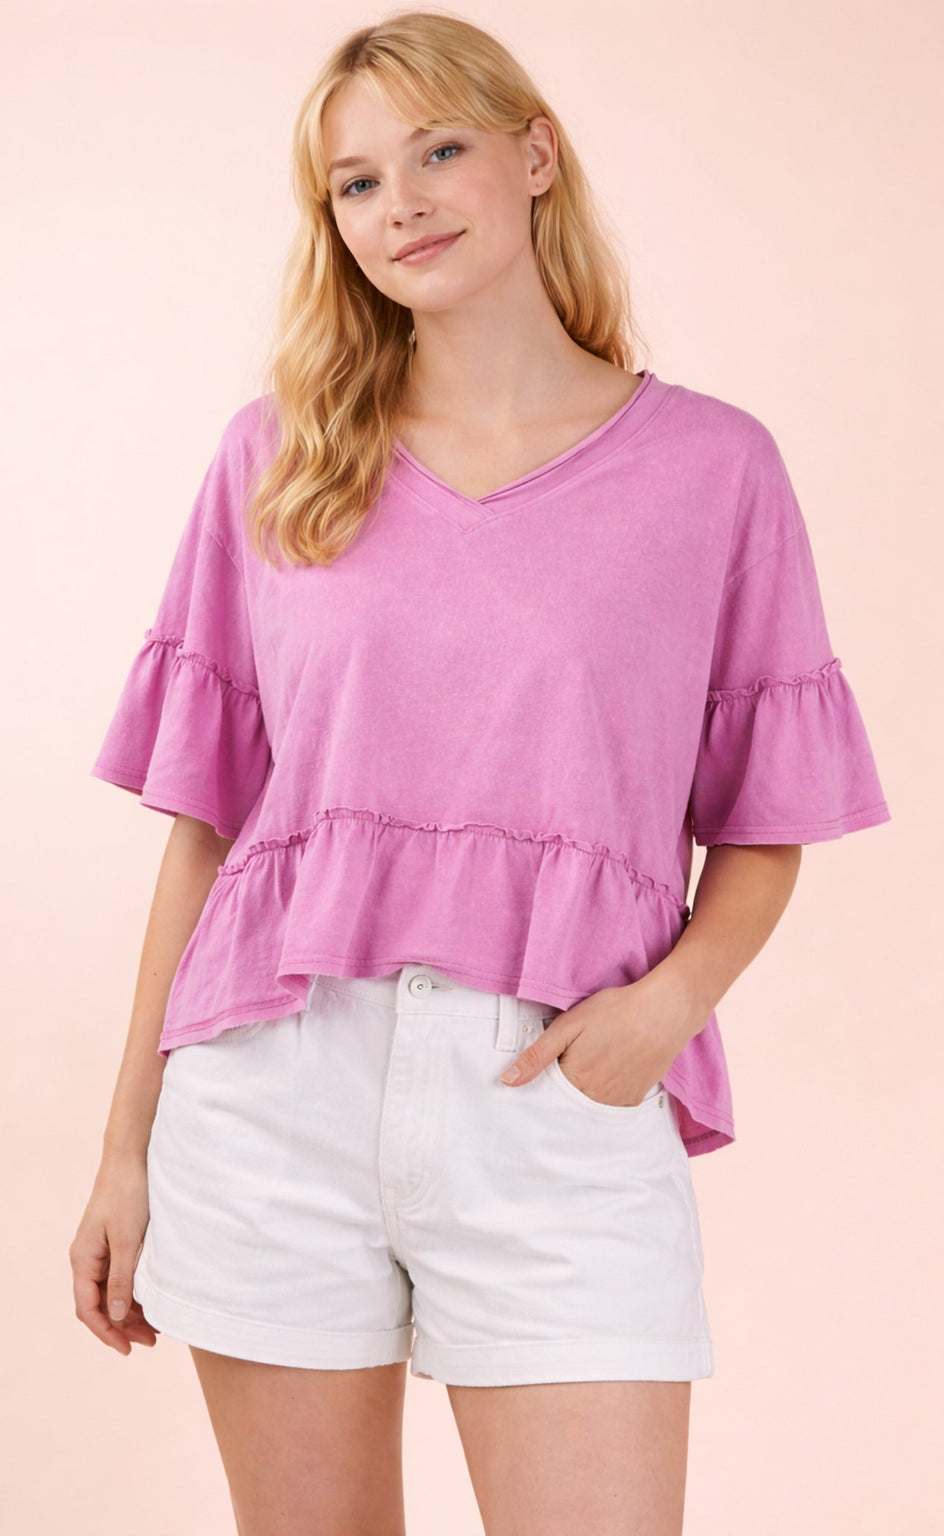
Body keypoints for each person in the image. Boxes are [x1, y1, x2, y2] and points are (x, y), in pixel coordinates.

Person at [69, 12, 891, 1535]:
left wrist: (666, 1010)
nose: (403, 205)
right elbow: (207, 832)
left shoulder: (712, 469)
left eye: (438, 150)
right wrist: (126, 1149)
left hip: (553, 1095)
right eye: (357, 183)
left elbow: (767, 819)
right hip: (272, 1089)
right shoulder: (278, 456)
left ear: (536, 155)